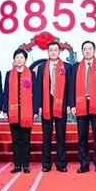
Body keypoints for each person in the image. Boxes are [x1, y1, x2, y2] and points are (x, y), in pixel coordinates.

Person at [69, 40, 96, 174]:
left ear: (94, 50)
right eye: (85, 49)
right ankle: (84, 164)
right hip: (81, 104)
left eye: (90, 49)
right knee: (82, 136)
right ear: (82, 51)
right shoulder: (75, 67)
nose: (87, 51)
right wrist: (72, 104)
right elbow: (71, 87)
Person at [3, 49, 39, 173]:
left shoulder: (31, 74)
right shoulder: (9, 74)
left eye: (21, 58)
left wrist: (35, 110)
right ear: (14, 59)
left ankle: (26, 165)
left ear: (25, 60)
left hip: (27, 112)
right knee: (16, 140)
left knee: (26, 140)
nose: (19, 60)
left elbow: (36, 93)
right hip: (13, 111)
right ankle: (17, 165)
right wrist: (5, 109)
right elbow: (6, 92)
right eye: (17, 57)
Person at [37, 42, 70, 173]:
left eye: (55, 50)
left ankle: (61, 163)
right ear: (48, 52)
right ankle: (46, 163)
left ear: (59, 51)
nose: (53, 52)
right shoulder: (42, 68)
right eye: (51, 50)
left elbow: (70, 88)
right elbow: (38, 88)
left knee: (61, 136)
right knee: (47, 136)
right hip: (46, 104)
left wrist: (69, 104)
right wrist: (39, 106)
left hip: (61, 104)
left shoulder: (67, 67)